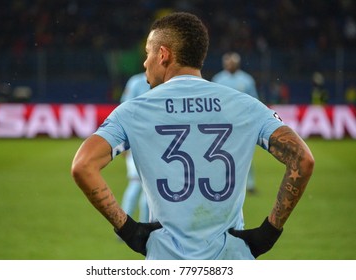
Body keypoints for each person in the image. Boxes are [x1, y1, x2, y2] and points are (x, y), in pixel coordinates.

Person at [71, 12, 314, 260]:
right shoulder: (245, 105)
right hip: (231, 259)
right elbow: (302, 159)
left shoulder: (133, 111)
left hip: (166, 259)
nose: (145, 62)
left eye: (148, 53)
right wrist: (269, 232)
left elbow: (83, 165)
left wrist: (129, 230)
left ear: (163, 55)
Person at [211, 52, 259, 193]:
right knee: (221, 153)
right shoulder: (218, 79)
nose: (229, 65)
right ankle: (223, 182)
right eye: (227, 62)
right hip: (222, 124)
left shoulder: (246, 80)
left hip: (241, 123)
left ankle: (249, 184)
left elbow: (254, 101)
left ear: (237, 64)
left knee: (245, 152)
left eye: (231, 62)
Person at [119, 72, 150, 222]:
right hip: (145, 143)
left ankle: (123, 226)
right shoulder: (165, 81)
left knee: (138, 187)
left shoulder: (135, 81)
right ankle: (143, 228)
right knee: (145, 190)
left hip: (138, 141)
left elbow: (125, 110)